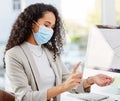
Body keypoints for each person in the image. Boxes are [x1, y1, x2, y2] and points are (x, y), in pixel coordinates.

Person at [4, 3, 114, 101]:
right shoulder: (14, 55)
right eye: (46, 25)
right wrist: (63, 87)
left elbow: (68, 81)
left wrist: (91, 80)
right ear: (32, 24)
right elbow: (25, 97)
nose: (49, 30)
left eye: (52, 27)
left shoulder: (50, 53)